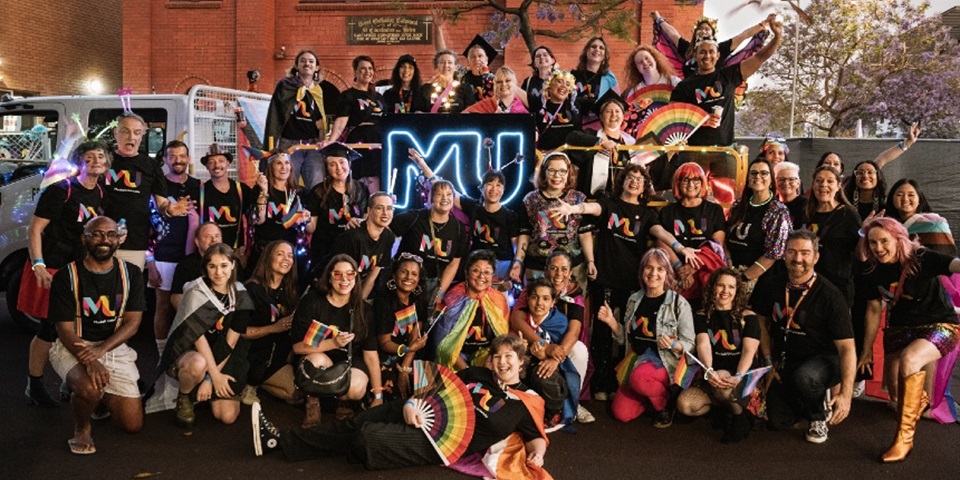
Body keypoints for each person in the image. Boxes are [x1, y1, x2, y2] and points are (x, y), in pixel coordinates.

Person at [253, 334, 550, 479]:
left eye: (510, 356)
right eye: (498, 355)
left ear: (522, 362)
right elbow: (438, 386)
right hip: (420, 409)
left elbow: (536, 435)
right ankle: (280, 440)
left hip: (437, 442)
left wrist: (538, 452)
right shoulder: (477, 373)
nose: (503, 361)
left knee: (365, 436)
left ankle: (300, 443)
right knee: (355, 424)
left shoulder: (526, 401)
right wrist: (412, 402)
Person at [551, 164, 701, 400]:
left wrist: (680, 248)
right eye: (630, 177)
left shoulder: (649, 214)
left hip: (633, 284)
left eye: (639, 180)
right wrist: (572, 208)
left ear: (644, 187)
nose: (634, 182)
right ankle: (601, 383)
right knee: (601, 331)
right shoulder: (609, 205)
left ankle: (621, 381)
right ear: (622, 181)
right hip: (605, 279)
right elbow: (591, 208)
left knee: (626, 333)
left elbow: (662, 233)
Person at [857, 217, 960, 462]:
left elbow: (955, 264)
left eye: (884, 241)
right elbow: (873, 310)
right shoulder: (871, 269)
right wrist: (866, 351)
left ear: (898, 238)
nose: (878, 248)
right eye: (872, 243)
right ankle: (918, 401)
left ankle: (904, 439)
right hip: (901, 329)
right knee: (895, 394)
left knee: (910, 360)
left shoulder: (920, 257)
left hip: (940, 325)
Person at [47, 216, 146, 454]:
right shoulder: (66, 276)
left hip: (112, 347)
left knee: (132, 425)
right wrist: (90, 360)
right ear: (85, 238)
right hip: (74, 344)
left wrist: (101, 351)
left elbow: (133, 323)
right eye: (97, 234)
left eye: (111, 235)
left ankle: (98, 399)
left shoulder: (130, 274)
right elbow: (64, 329)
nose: (104, 240)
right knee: (89, 388)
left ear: (118, 240)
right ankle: (82, 425)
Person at [22, 141, 110, 408]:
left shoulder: (100, 193)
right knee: (49, 328)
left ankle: (69, 382)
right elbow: (35, 229)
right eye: (89, 156)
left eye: (101, 156)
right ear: (79, 162)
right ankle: (34, 385)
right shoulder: (62, 190)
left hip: (80, 269)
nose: (96, 160)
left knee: (78, 327)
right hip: (54, 267)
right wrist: (38, 264)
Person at [751, 230, 856, 444]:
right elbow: (759, 320)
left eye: (805, 253)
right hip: (785, 360)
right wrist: (768, 360)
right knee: (777, 421)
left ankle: (817, 417)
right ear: (784, 254)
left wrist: (846, 394)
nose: (798, 259)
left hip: (824, 361)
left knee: (806, 377)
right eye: (792, 252)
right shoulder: (772, 285)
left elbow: (847, 348)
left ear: (816, 257)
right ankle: (805, 399)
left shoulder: (831, 295)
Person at [596, 248, 695, 428]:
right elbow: (625, 339)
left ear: (667, 273)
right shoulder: (634, 299)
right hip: (636, 360)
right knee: (621, 414)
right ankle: (651, 394)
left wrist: (675, 344)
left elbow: (691, 344)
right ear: (642, 271)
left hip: (666, 361)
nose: (653, 273)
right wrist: (611, 321)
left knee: (639, 378)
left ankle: (665, 403)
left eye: (660, 269)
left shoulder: (678, 303)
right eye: (648, 268)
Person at [160, 243, 255, 427]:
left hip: (223, 354)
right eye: (212, 266)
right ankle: (186, 395)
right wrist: (212, 376)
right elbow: (198, 339)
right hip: (193, 350)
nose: (218, 272)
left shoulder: (241, 295)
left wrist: (213, 379)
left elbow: (231, 342)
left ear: (233, 265)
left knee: (227, 416)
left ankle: (207, 390)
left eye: (224, 265)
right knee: (198, 364)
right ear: (205, 268)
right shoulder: (195, 292)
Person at [290, 254, 382, 427]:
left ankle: (341, 402)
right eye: (338, 274)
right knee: (315, 360)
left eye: (350, 274)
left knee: (358, 387)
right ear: (329, 276)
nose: (344, 279)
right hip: (318, 357)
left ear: (356, 277)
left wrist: (378, 396)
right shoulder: (311, 301)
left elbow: (371, 355)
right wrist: (333, 343)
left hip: (348, 361)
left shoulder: (364, 310)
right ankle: (313, 401)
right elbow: (297, 348)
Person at [676, 268, 761, 443]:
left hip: (741, 375)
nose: (725, 291)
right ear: (712, 288)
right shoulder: (702, 315)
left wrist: (738, 376)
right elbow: (703, 344)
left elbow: (749, 352)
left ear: (737, 291)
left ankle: (740, 417)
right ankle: (725, 409)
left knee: (723, 381)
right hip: (713, 373)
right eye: (721, 285)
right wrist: (709, 370)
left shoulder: (748, 317)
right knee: (685, 405)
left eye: (731, 287)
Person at [669, 20, 782, 147]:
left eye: (711, 52)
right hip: (694, 151)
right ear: (695, 55)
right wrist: (700, 119)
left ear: (718, 55)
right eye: (702, 52)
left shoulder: (729, 75)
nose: (707, 56)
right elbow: (672, 115)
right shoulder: (684, 86)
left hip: (725, 151)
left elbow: (760, 57)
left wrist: (777, 37)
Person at [102, 113, 193, 269]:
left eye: (137, 132)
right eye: (125, 131)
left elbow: (161, 204)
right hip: (100, 240)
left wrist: (170, 209)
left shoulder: (151, 166)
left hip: (135, 243)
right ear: (116, 133)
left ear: (142, 136)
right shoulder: (103, 161)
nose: (131, 137)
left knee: (129, 290)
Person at [408, 152, 519, 278]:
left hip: (501, 267)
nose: (494, 189)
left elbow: (516, 244)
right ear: (481, 188)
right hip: (476, 265)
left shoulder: (510, 216)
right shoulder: (473, 208)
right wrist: (422, 165)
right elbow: (444, 188)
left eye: (498, 185)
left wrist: (517, 264)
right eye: (489, 184)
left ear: (503, 190)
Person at [149, 140, 201, 357]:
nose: (178, 160)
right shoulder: (157, 185)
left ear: (188, 158)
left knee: (189, 306)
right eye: (173, 156)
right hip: (164, 255)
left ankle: (184, 349)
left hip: (192, 257)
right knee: (163, 306)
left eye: (182, 156)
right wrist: (149, 261)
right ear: (165, 160)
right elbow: (147, 224)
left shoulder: (198, 186)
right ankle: (162, 353)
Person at [511, 278, 583, 432]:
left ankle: (553, 412)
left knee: (542, 375)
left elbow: (564, 362)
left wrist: (545, 357)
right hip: (526, 370)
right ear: (527, 299)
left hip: (553, 375)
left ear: (553, 302)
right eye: (535, 297)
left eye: (545, 298)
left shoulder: (561, 323)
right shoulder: (523, 321)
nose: (539, 303)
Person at [512, 152, 593, 288]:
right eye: (552, 171)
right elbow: (524, 234)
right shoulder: (530, 200)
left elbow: (584, 233)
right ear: (544, 172)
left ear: (568, 173)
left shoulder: (579, 199)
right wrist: (518, 261)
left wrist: (591, 261)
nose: (557, 176)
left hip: (572, 268)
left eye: (562, 171)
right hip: (538, 266)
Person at [391, 179, 469, 310]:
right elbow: (384, 230)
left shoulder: (458, 228)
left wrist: (440, 293)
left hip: (433, 286)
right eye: (439, 194)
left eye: (449, 194)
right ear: (431, 197)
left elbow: (454, 263)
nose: (445, 198)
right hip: (405, 282)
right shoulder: (414, 217)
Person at [657, 162, 728, 305]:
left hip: (705, 274)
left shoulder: (714, 210)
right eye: (685, 179)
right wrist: (679, 267)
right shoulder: (668, 211)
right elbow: (661, 242)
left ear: (702, 183)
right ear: (678, 183)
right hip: (676, 275)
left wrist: (692, 268)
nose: (691, 184)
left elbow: (716, 245)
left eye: (696, 180)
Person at [241, 240, 300, 405]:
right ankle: (248, 381)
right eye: (280, 254)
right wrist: (274, 328)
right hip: (252, 355)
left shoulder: (290, 291)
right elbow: (241, 331)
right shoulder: (251, 289)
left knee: (297, 393)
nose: (286, 259)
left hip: (277, 356)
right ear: (268, 257)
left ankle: (257, 384)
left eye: (290, 256)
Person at [432, 250, 510, 370]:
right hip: (456, 360)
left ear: (492, 275)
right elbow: (444, 345)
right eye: (475, 270)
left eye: (487, 272)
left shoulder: (498, 299)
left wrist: (491, 360)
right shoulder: (453, 299)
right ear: (466, 273)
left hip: (487, 358)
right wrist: (467, 371)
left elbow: (501, 338)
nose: (481, 276)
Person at [264, 49, 330, 190]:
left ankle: (312, 212)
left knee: (317, 184)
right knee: (287, 183)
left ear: (317, 67)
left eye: (311, 61)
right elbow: (276, 115)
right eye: (303, 61)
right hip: (289, 143)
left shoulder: (318, 91)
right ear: (296, 65)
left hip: (312, 145)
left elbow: (320, 121)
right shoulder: (285, 86)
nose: (307, 64)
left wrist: (323, 140)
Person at [725, 159, 791, 291]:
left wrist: (744, 278)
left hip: (760, 281)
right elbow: (726, 238)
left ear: (771, 180)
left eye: (764, 173)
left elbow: (774, 253)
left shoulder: (778, 211)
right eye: (753, 173)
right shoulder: (738, 206)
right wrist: (729, 267)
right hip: (731, 274)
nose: (758, 177)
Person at [304, 142, 369, 275]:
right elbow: (311, 228)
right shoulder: (318, 191)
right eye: (332, 164)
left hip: (353, 249)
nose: (338, 168)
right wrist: (304, 218)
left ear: (349, 164)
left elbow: (367, 220)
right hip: (325, 251)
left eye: (342, 162)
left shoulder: (361, 190)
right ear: (327, 168)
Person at [651, 11, 775, 78]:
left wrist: (764, 23)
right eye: (701, 28)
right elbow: (672, 34)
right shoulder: (687, 49)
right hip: (689, 92)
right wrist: (658, 19)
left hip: (714, 92)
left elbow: (743, 36)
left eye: (707, 29)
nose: (704, 31)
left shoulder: (721, 48)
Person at [373, 253, 429, 401]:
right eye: (404, 271)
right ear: (394, 274)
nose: (409, 277)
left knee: (427, 386)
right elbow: (384, 343)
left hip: (409, 356)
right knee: (393, 390)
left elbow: (415, 337)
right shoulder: (383, 301)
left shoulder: (419, 299)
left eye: (414, 274)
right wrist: (407, 349)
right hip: (386, 356)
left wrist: (405, 366)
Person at [803, 166, 862, 305]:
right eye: (819, 181)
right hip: (807, 282)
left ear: (838, 186)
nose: (824, 185)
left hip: (837, 284)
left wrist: (865, 232)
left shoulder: (848, 214)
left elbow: (860, 254)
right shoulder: (805, 211)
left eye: (830, 181)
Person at [565, 90, 638, 198]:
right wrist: (600, 142)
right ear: (601, 116)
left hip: (623, 200)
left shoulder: (631, 143)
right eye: (608, 111)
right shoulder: (591, 135)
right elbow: (572, 138)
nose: (613, 115)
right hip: (595, 200)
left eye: (617, 111)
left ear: (623, 116)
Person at [327, 55, 385, 189]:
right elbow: (341, 121)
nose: (367, 72)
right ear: (356, 72)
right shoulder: (348, 95)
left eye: (370, 68)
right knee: (360, 179)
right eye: (363, 69)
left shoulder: (379, 97)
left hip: (378, 142)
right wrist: (331, 141)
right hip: (359, 141)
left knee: (379, 178)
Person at [250, 152, 312, 273]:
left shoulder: (299, 192)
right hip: (266, 252)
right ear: (271, 167)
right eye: (279, 163)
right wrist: (263, 192)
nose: (284, 167)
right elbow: (258, 220)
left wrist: (306, 219)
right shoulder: (259, 190)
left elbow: (309, 228)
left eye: (287, 163)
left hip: (291, 253)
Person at [197, 143, 263, 257]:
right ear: (207, 166)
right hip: (208, 254)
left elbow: (256, 218)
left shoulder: (242, 189)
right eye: (211, 162)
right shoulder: (198, 192)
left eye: (221, 161)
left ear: (228, 163)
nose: (217, 165)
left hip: (235, 253)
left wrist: (263, 191)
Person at [330, 192, 397, 299]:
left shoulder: (388, 237)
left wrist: (359, 304)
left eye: (389, 208)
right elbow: (339, 277)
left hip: (358, 288)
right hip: (334, 288)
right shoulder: (353, 236)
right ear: (369, 210)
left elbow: (372, 277)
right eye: (379, 208)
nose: (385, 213)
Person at [621, 44, 680, 138]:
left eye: (647, 58)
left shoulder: (673, 82)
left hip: (673, 133)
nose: (644, 62)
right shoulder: (635, 90)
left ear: (655, 58)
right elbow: (630, 117)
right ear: (636, 68)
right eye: (639, 62)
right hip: (646, 137)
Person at [886, 178, 956, 256]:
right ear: (892, 199)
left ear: (919, 200)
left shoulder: (934, 225)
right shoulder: (887, 227)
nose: (905, 199)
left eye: (911, 195)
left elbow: (946, 258)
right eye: (899, 195)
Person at [170, 222, 223, 309]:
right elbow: (176, 296)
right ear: (197, 242)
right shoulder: (186, 264)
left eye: (217, 236)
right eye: (208, 236)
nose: (214, 240)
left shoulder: (232, 262)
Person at [571, 36, 619, 130]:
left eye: (601, 48)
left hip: (600, 129)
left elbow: (616, 105)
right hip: (575, 128)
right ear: (586, 52)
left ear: (605, 56)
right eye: (593, 46)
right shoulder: (572, 76)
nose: (597, 49)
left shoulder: (610, 79)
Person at [416, 50, 476, 114]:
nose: (446, 65)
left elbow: (470, 112)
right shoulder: (425, 89)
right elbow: (418, 112)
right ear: (436, 67)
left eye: (450, 62)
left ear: (455, 67)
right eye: (442, 62)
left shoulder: (466, 89)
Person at [535, 69, 582, 152]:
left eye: (568, 84)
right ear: (550, 86)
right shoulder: (539, 106)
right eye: (559, 81)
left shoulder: (575, 107)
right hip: (545, 156)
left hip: (569, 156)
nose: (563, 86)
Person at [464, 67, 529, 114]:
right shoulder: (487, 104)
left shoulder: (521, 109)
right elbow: (464, 116)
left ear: (515, 83)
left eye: (508, 81)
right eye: (499, 82)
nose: (503, 84)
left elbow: (533, 131)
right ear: (495, 85)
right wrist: (492, 119)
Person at [520, 45, 557, 114]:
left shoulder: (560, 79)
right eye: (538, 56)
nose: (542, 57)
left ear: (552, 60)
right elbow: (522, 103)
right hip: (534, 122)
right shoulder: (528, 81)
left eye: (545, 55)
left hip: (556, 120)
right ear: (534, 64)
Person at [460, 35, 498, 101]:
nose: (477, 59)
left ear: (486, 60)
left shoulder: (495, 79)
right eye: (473, 57)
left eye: (480, 56)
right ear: (468, 61)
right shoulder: (462, 79)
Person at [774, 161, 805, 226]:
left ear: (798, 183)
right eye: (781, 179)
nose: (786, 183)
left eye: (791, 179)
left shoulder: (806, 205)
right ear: (775, 182)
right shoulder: (771, 205)